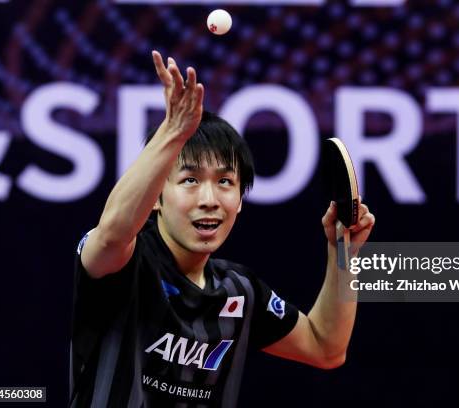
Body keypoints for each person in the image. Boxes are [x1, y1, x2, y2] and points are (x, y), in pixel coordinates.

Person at [70, 50, 375, 407]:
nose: (209, 199)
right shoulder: (125, 263)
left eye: (226, 182)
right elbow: (111, 232)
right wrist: (172, 132)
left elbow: (326, 348)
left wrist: (344, 254)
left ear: (241, 199)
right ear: (156, 196)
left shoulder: (240, 293)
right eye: (190, 180)